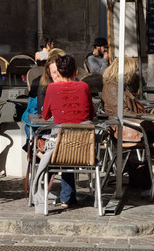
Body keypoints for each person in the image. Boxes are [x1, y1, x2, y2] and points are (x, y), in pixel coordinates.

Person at [35, 52, 93, 206]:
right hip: (85, 147)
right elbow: (91, 114)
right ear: (76, 72)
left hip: (59, 148)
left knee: (61, 142)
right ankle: (68, 197)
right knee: (70, 140)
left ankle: (61, 197)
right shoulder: (85, 86)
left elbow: (45, 115)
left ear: (59, 73)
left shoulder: (52, 88)